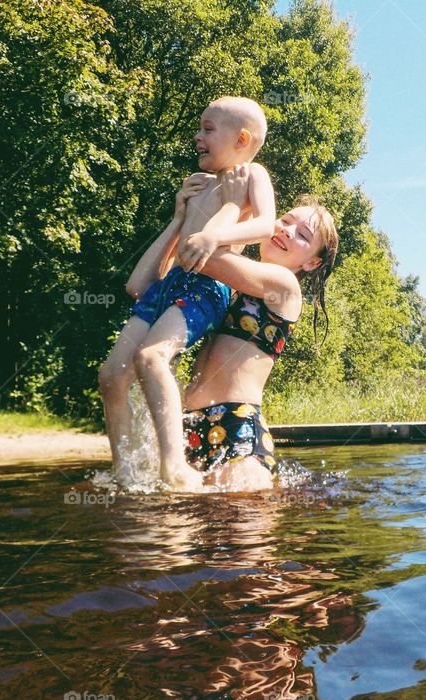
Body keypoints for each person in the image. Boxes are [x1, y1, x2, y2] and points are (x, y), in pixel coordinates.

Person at [123, 164, 339, 492]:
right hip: (193, 429)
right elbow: (145, 287)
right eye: (286, 221)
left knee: (241, 537)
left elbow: (201, 255)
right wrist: (179, 219)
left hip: (237, 428)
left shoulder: (284, 285)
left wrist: (233, 203)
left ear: (311, 263)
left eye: (302, 236)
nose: (286, 231)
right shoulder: (230, 286)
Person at [99, 97, 276, 487]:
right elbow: (138, 284)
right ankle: (125, 472)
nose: (197, 136)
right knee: (111, 375)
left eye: (208, 129)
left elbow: (266, 225)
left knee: (151, 357)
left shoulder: (251, 175)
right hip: (169, 284)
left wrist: (216, 234)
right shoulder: (199, 186)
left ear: (241, 138)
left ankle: (175, 466)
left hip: (203, 286)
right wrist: (179, 214)